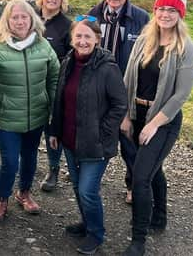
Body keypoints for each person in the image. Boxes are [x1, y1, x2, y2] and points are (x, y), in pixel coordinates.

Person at [121, 0, 193, 256]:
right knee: (153, 168)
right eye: (161, 9)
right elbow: (129, 78)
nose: (165, 14)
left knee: (140, 177)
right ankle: (160, 216)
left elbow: (180, 95)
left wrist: (153, 125)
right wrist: (127, 116)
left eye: (171, 10)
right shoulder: (144, 40)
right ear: (155, 11)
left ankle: (138, 240)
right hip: (136, 114)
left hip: (164, 120)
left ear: (180, 14)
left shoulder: (185, 48)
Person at [49, 16, 128, 255]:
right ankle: (86, 223)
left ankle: (96, 234)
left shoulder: (107, 68)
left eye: (87, 36)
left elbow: (120, 104)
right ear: (72, 39)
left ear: (97, 39)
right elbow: (59, 99)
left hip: (95, 143)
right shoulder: (68, 62)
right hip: (70, 139)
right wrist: (54, 130)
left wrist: (103, 133)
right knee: (76, 186)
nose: (82, 41)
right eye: (78, 36)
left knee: (87, 190)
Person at [0, 0, 60, 222]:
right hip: (6, 118)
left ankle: (24, 192)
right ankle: (2, 199)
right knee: (9, 162)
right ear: (6, 21)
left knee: (30, 158)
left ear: (32, 19)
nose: (19, 21)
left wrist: (54, 109)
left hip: (37, 117)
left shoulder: (43, 45)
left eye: (24, 17)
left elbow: (54, 78)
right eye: (14, 17)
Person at [87, 0, 150, 204]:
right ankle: (89, 181)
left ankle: (132, 185)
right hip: (97, 89)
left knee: (128, 141)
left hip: (127, 90)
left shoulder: (142, 19)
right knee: (94, 136)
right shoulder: (92, 16)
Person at [36, 0, 72, 192]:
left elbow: (70, 58)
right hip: (28, 82)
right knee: (29, 126)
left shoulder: (66, 26)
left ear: (62, 0)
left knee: (52, 129)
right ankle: (26, 165)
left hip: (54, 85)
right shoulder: (29, 17)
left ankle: (53, 169)